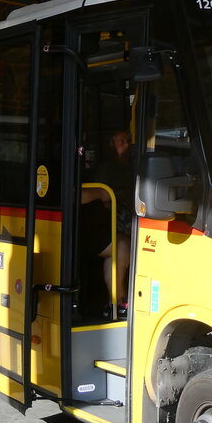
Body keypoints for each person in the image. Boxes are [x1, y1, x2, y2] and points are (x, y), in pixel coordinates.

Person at [80, 130, 134, 316]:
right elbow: (94, 197)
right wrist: (107, 195)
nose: (126, 144)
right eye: (121, 141)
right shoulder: (106, 169)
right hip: (111, 223)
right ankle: (118, 303)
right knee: (123, 246)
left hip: (137, 218)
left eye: (128, 141)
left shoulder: (136, 167)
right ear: (111, 144)